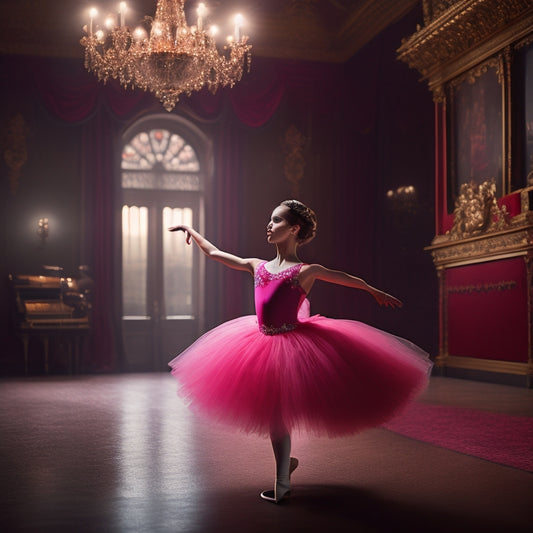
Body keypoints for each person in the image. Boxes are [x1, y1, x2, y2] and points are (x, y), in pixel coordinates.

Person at [168, 199, 432, 504]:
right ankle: (284, 471)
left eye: (277, 221)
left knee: (278, 414)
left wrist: (373, 291)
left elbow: (344, 278)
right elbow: (215, 254)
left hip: (292, 346)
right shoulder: (257, 265)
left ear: (294, 229)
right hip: (257, 343)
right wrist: (191, 230)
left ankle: (282, 479)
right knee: (274, 415)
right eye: (270, 219)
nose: (269, 225)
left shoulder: (306, 271)